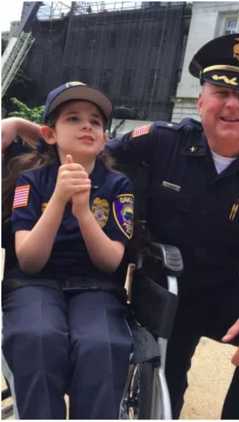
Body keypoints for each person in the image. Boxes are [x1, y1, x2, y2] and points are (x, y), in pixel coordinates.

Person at [1, 33, 239, 419]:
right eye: (220, 92)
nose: (232, 105)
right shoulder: (159, 141)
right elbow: (86, 147)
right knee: (164, 383)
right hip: (165, 290)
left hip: (222, 290)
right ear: (201, 99)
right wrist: (20, 125)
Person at [1, 82, 133, 419]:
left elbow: (111, 262)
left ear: (105, 137)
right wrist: (58, 200)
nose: (87, 125)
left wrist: (83, 211)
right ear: (49, 133)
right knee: (38, 337)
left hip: (96, 285)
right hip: (35, 283)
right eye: (73, 118)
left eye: (96, 121)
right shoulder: (30, 182)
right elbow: (29, 260)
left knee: (102, 345)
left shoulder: (118, 186)